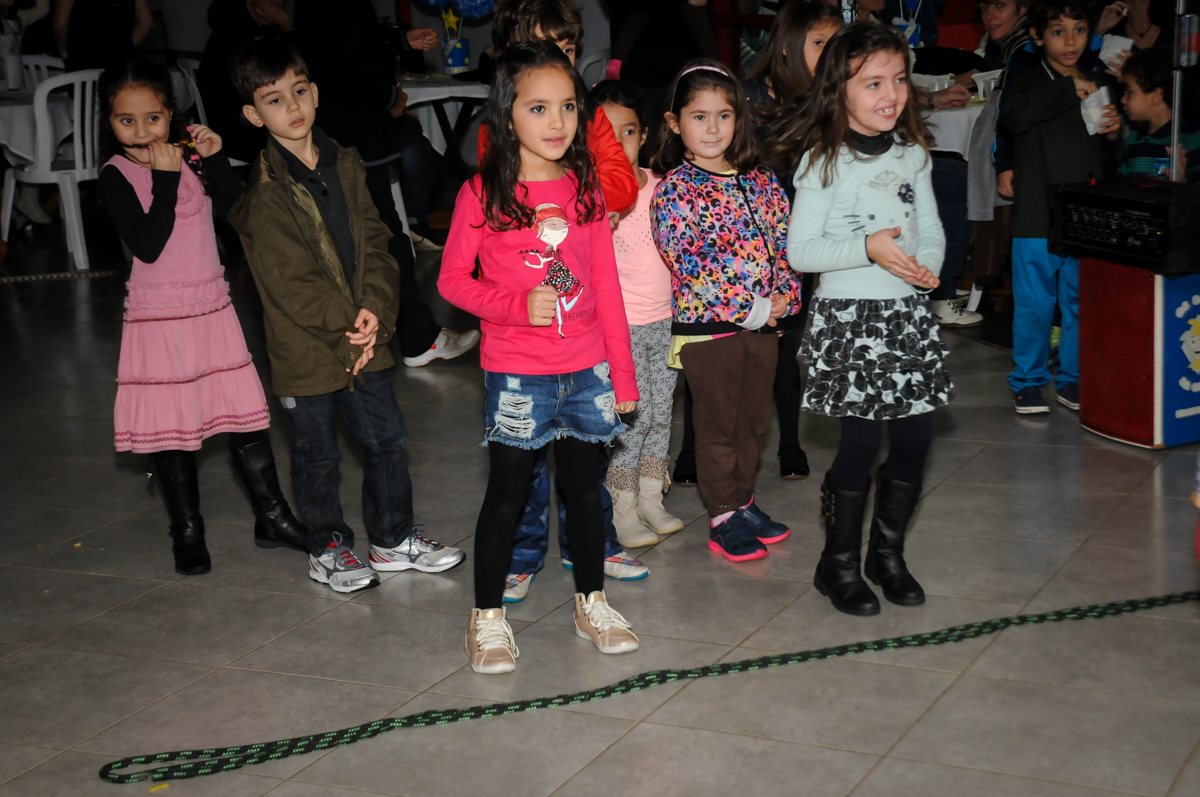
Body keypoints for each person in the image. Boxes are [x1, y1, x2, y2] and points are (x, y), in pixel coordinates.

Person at [227, 38, 464, 594]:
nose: (292, 108)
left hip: (365, 336)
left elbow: (382, 242)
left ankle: (391, 538)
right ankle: (328, 547)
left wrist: (375, 312)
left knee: (388, 442)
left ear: (316, 91)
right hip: (307, 350)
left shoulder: (347, 161)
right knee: (317, 455)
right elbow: (291, 284)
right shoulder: (264, 196)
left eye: (300, 91)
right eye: (274, 99)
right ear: (251, 113)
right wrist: (349, 323)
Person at [439, 42, 641, 674]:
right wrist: (512, 304)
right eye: (538, 108)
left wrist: (623, 373)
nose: (557, 123)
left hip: (587, 372)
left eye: (568, 107)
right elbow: (451, 281)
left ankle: (591, 600)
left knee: (584, 494)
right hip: (519, 373)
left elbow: (605, 287)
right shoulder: (483, 194)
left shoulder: (586, 192)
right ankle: (487, 618)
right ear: (506, 116)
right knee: (508, 493)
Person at [98, 59, 309, 576]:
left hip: (211, 305)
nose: (142, 131)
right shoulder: (115, 174)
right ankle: (186, 528)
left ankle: (272, 516)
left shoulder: (188, 160)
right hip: (160, 317)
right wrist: (167, 181)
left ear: (171, 114)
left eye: (153, 118)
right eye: (127, 121)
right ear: (109, 122)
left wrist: (213, 163)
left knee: (245, 414)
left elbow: (239, 217)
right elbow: (147, 245)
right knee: (172, 430)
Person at [787, 22, 951, 616]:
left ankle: (888, 556)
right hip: (849, 320)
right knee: (859, 446)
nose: (891, 94)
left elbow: (928, 227)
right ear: (840, 90)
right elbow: (800, 252)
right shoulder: (823, 161)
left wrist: (925, 265)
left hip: (906, 315)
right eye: (873, 82)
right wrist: (869, 247)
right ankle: (837, 565)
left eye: (900, 79)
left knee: (914, 439)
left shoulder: (913, 155)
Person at [487, 0, 647, 604]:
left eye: (571, 47)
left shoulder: (584, 117)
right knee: (523, 465)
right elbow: (501, 204)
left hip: (582, 313)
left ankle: (593, 547)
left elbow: (620, 186)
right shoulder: (501, 122)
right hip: (525, 334)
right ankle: (522, 556)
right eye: (545, 44)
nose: (561, 58)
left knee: (586, 456)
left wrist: (574, 195)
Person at [650, 59, 802, 564]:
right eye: (699, 117)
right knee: (717, 426)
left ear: (740, 118)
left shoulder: (761, 180)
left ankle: (743, 501)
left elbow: (785, 244)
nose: (712, 128)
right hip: (709, 330)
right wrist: (752, 307)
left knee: (754, 422)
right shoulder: (675, 189)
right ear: (675, 123)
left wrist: (783, 298)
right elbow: (691, 263)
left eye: (723, 115)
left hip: (764, 325)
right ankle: (721, 514)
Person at [291, 0, 481, 368]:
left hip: (347, 134)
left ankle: (408, 336)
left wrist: (396, 40)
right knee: (383, 239)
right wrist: (389, 95)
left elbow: (349, 43)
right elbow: (336, 67)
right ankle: (416, 338)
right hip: (351, 135)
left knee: (371, 238)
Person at [999, 0, 1122, 414]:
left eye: (1080, 29)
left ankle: (1073, 378)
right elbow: (1013, 119)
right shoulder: (1028, 82)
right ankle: (1028, 380)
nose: (1071, 41)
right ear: (1037, 36)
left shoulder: (1097, 82)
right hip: (1036, 211)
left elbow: (1107, 159)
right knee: (1034, 305)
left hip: (1082, 215)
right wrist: (1067, 89)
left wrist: (1112, 134)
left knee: (1079, 302)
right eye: (1057, 31)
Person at [591, 79, 684, 545]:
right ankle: (622, 507)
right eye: (605, 135)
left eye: (627, 132)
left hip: (665, 323)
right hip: (617, 328)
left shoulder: (664, 188)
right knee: (632, 418)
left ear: (644, 135)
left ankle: (652, 496)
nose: (618, 144)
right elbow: (563, 270)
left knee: (662, 413)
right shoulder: (588, 199)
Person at [1119, 47, 1200, 182]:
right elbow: (1122, 182)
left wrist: (1182, 181)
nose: (1122, 99)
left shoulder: (1192, 139)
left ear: (1156, 96)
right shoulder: (1133, 138)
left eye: (1129, 92)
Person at [53, 0, 152, 71]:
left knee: (84, 98)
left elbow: (60, 24)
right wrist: (124, 45)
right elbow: (146, 23)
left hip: (84, 56)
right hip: (120, 58)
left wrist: (63, 49)